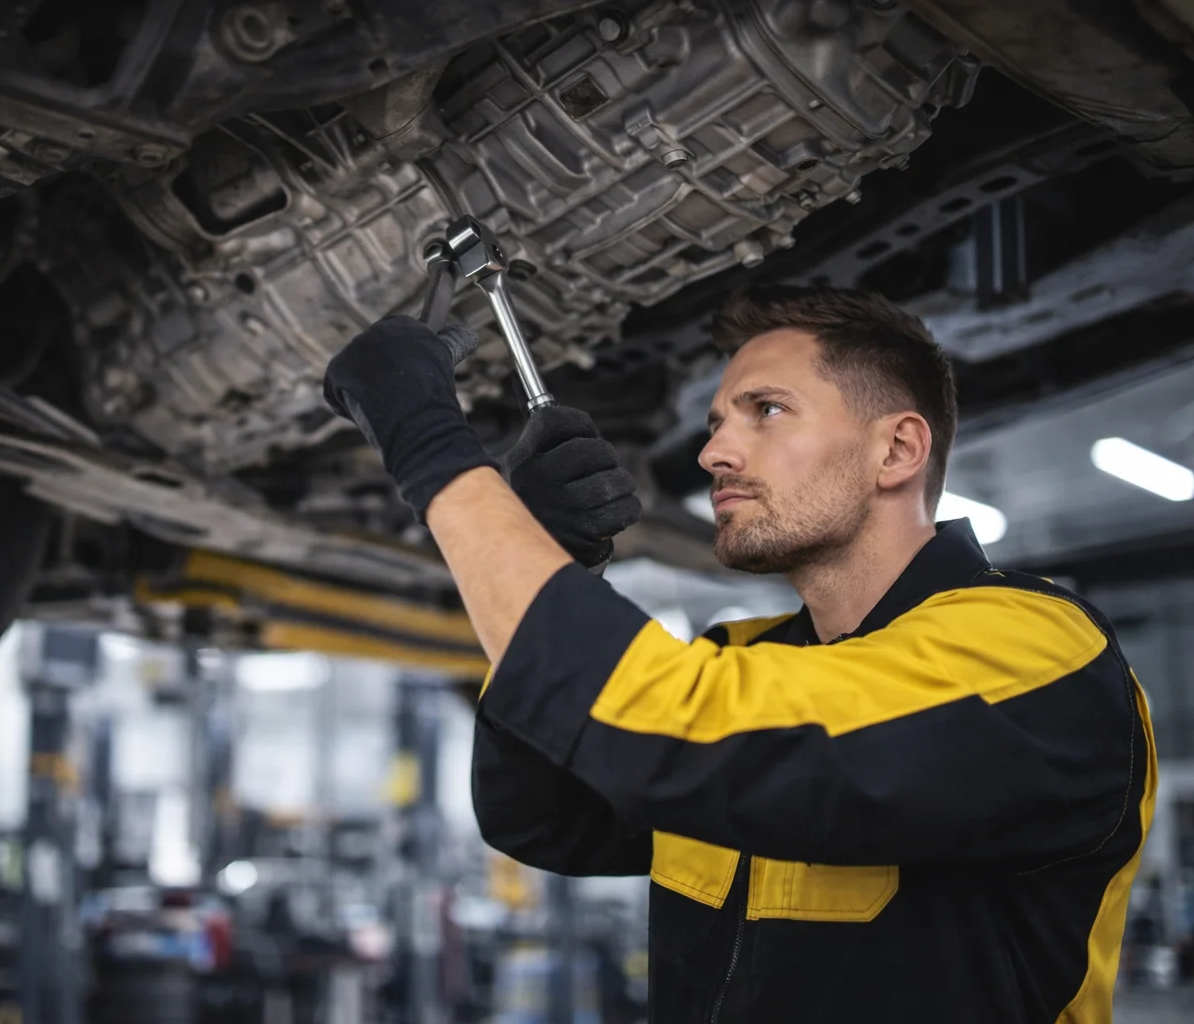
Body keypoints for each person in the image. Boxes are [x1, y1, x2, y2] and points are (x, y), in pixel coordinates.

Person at [322, 284, 1157, 1023]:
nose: (714, 451)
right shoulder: (748, 655)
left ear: (897, 451)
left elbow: (685, 731)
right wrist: (552, 553)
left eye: (766, 410)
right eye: (719, 421)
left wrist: (432, 448)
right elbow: (545, 820)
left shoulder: (1037, 650)